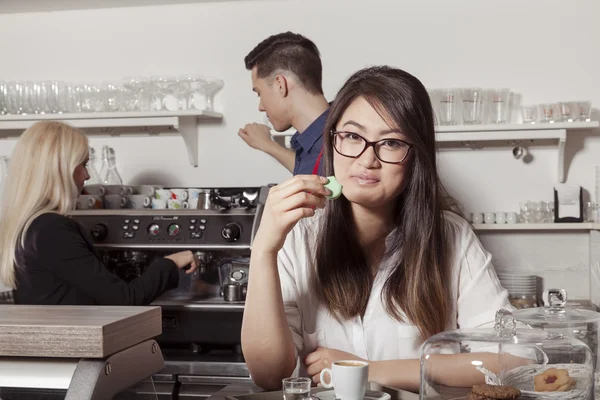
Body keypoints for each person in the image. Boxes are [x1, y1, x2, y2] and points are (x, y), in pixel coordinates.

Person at [241, 66, 516, 391]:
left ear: (416, 157)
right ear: (332, 141)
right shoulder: (297, 235)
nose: (367, 159)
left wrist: (366, 370)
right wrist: (263, 250)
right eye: (353, 136)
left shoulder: (451, 237)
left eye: (391, 142)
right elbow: (270, 376)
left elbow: (511, 360)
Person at [0, 121, 198, 305]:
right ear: (60, 169)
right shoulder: (52, 230)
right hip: (75, 341)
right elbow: (125, 300)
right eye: (83, 164)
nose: (87, 175)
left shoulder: (28, 225)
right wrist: (170, 263)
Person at [238, 31, 330, 176]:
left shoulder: (342, 145)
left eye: (259, 93)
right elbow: (315, 172)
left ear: (280, 85)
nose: (261, 107)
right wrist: (268, 145)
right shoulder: (317, 143)